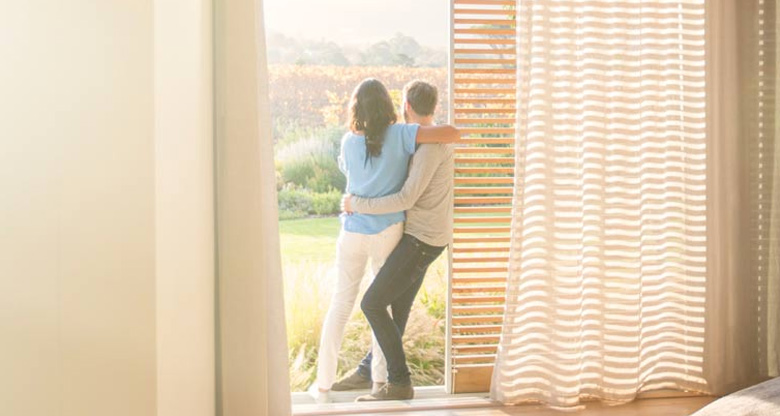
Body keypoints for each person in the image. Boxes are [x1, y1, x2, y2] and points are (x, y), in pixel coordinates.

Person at [310, 78, 459, 403]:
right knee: (388, 306)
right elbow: (449, 133)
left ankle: (325, 384)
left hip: (358, 230)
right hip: (390, 232)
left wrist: (356, 203)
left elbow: (354, 173)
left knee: (352, 304)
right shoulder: (402, 136)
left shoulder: (349, 141)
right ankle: (377, 379)